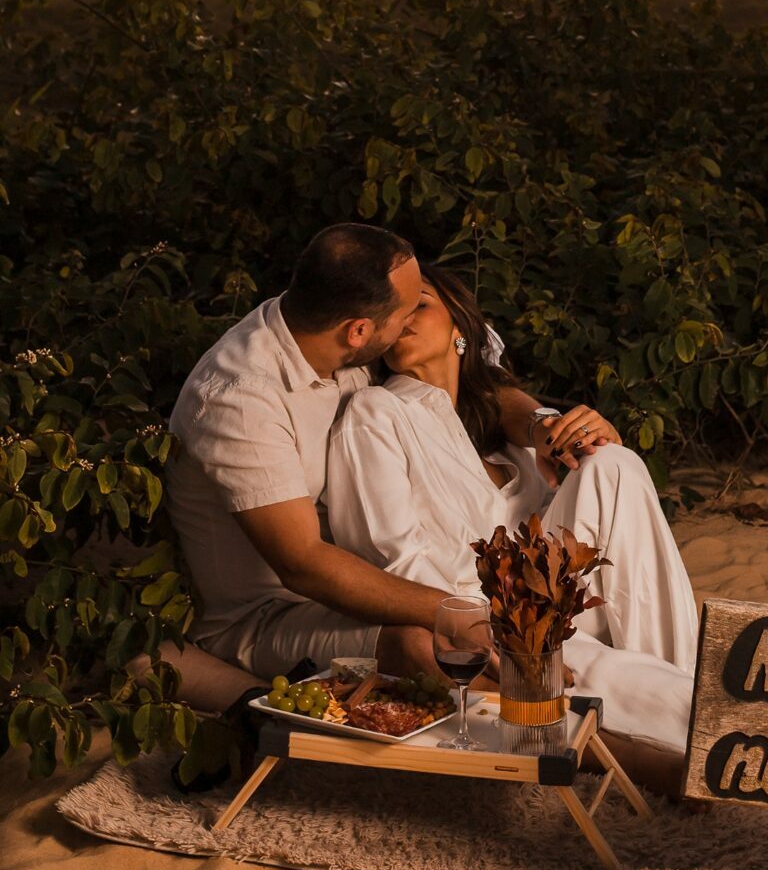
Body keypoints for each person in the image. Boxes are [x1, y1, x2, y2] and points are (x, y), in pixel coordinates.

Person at [165, 223, 618, 682]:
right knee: (427, 646)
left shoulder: (333, 319)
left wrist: (541, 424)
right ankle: (560, 720)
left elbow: (474, 378)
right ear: (359, 331)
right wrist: (463, 614)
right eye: (407, 312)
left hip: (360, 584)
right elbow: (303, 565)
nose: (409, 325)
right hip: (269, 616)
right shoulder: (241, 400)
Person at [324, 263, 698, 769]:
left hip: (552, 599)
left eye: (420, 304)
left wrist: (568, 431)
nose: (403, 317)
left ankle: (685, 681)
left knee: (610, 462)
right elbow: (390, 555)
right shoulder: (375, 411)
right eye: (394, 310)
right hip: (485, 623)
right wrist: (472, 629)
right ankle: (700, 713)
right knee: (661, 698)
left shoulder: (503, 433)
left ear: (460, 328)